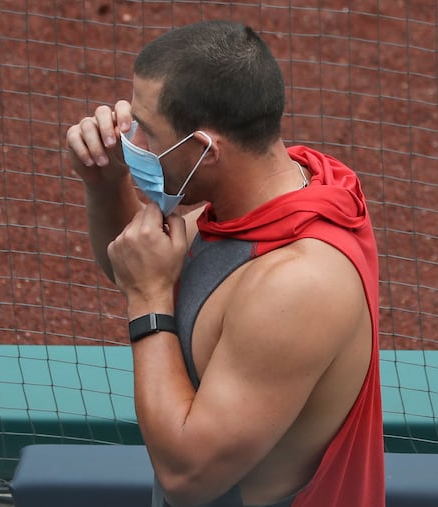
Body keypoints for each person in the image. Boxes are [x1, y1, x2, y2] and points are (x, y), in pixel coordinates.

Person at [65, 20, 384, 507]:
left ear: (205, 150)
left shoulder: (297, 284)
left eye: (145, 133)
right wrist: (106, 184)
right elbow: (142, 266)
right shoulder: (253, 198)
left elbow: (187, 479)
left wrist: (148, 300)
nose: (133, 146)